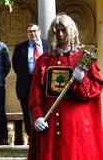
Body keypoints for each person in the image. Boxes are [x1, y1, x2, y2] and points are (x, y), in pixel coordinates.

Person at [28, 13, 103, 159]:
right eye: (57, 31)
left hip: (75, 124)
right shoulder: (44, 60)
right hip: (49, 122)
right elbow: (36, 94)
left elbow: (96, 89)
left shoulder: (83, 59)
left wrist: (83, 80)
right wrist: (38, 116)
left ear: (71, 32)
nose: (60, 34)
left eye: (64, 30)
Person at [12, 23, 48, 136]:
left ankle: (46, 136)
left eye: (35, 31)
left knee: (47, 108)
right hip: (27, 83)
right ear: (27, 34)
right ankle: (31, 138)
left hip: (46, 82)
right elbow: (16, 65)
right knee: (28, 113)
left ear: (40, 31)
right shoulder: (20, 48)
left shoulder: (49, 45)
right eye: (30, 32)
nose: (33, 34)